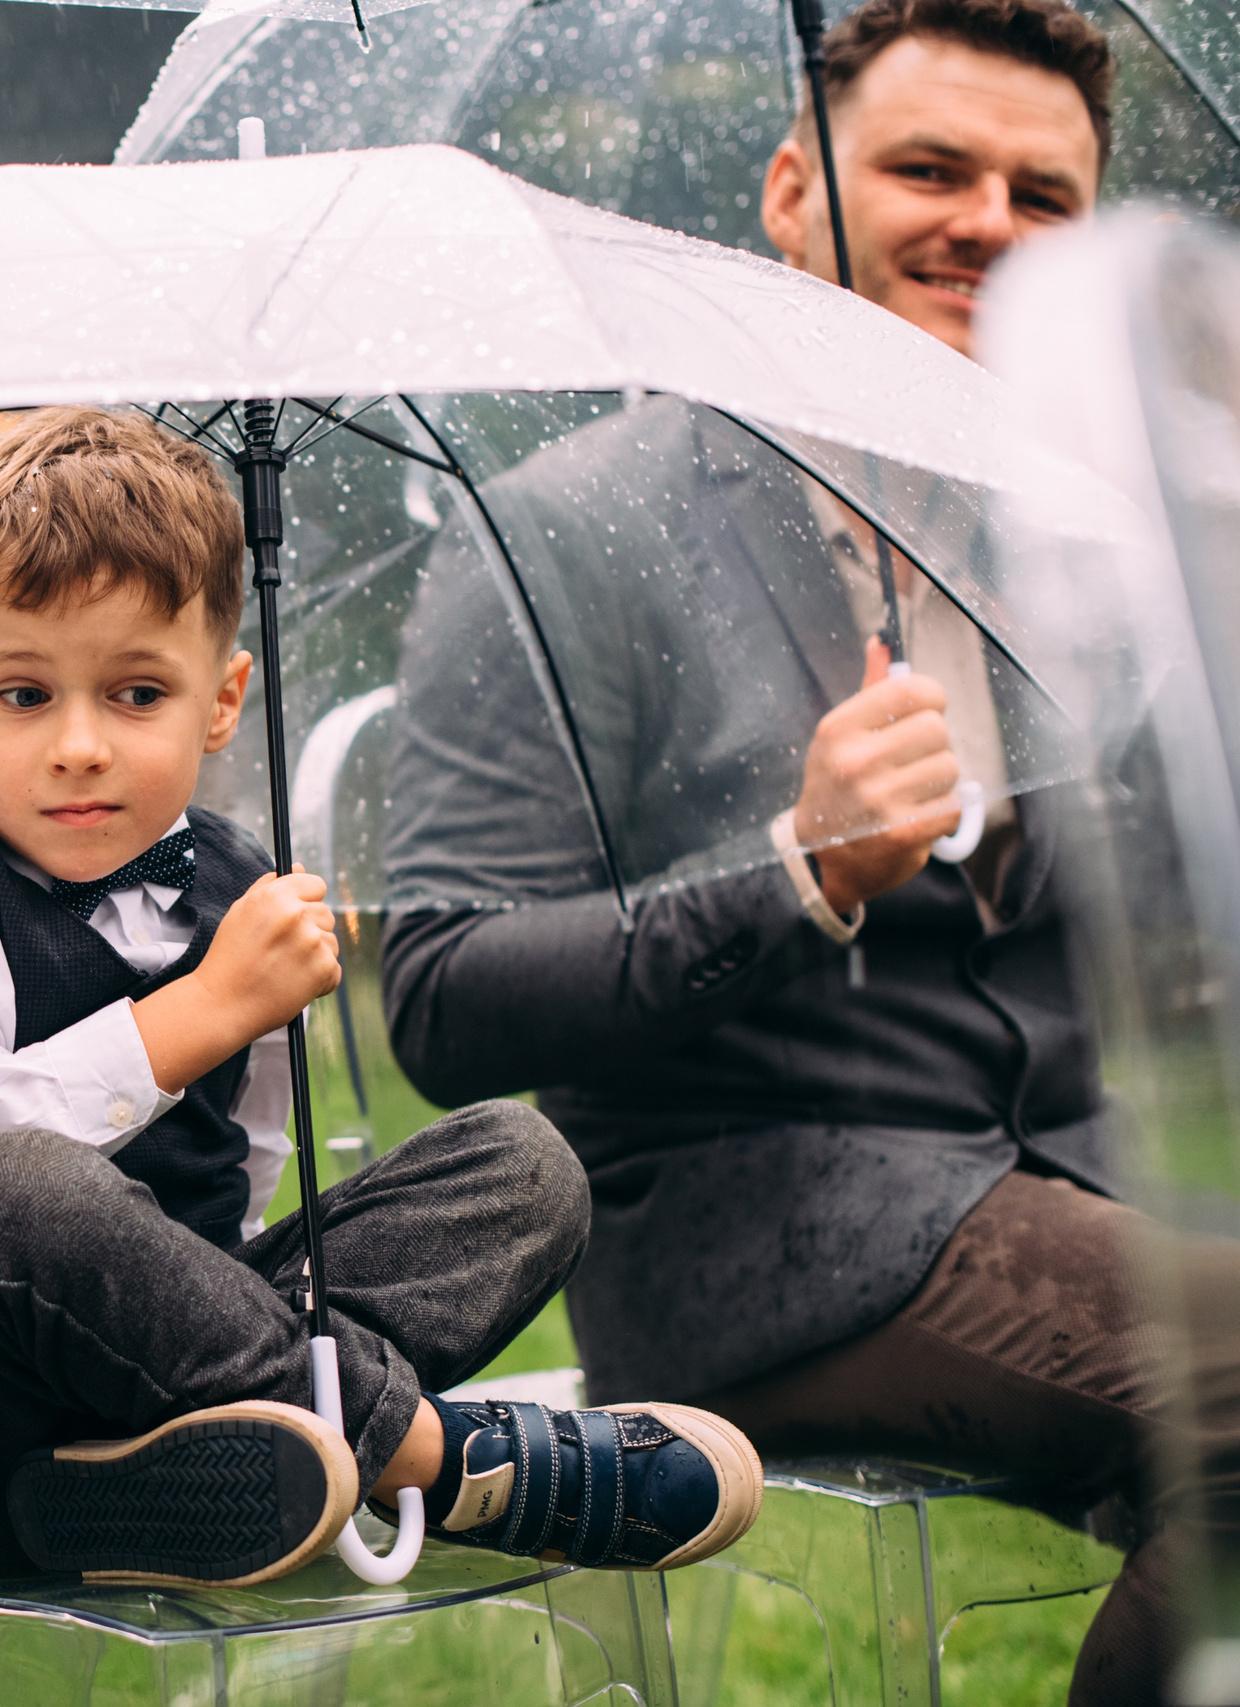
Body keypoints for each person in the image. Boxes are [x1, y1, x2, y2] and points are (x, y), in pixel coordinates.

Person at [376, 1, 1226, 1699]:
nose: (986, 219)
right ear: (787, 193)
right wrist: (799, 868)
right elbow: (443, 990)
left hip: (1082, 1179)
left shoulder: (1093, 550)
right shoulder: (570, 531)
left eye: (1041, 195)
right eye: (928, 168)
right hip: (757, 1239)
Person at [0, 405, 765, 1587]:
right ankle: (433, 1460)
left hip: (160, 1394)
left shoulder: (244, 886)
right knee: (25, 1192)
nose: (81, 744)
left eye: (138, 695)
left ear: (223, 697)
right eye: (23, 697)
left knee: (523, 1165)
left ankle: (162, 1477)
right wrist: (200, 1011)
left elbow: (238, 1175)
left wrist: (202, 1314)